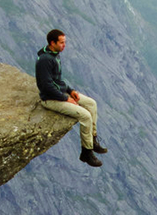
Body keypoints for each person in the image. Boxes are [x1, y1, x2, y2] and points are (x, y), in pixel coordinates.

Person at [35, 29, 108, 167]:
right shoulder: (45, 60)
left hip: (60, 93)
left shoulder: (54, 54)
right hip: (49, 99)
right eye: (62, 42)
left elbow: (57, 80)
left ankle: (92, 141)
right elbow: (46, 87)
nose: (64, 45)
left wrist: (70, 90)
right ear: (52, 43)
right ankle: (86, 153)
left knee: (91, 104)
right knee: (85, 116)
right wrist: (65, 98)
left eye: (65, 42)